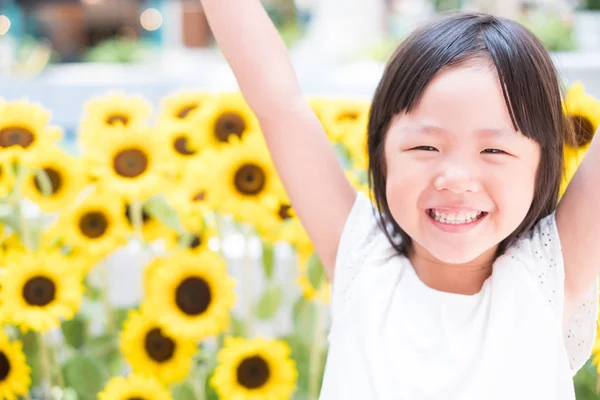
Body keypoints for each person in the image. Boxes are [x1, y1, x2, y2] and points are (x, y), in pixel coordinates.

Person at [201, 1, 600, 398]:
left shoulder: (546, 277)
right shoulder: (362, 256)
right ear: (381, 154)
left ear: (543, 164)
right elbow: (279, 104)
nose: (455, 179)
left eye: (493, 151)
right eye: (426, 147)